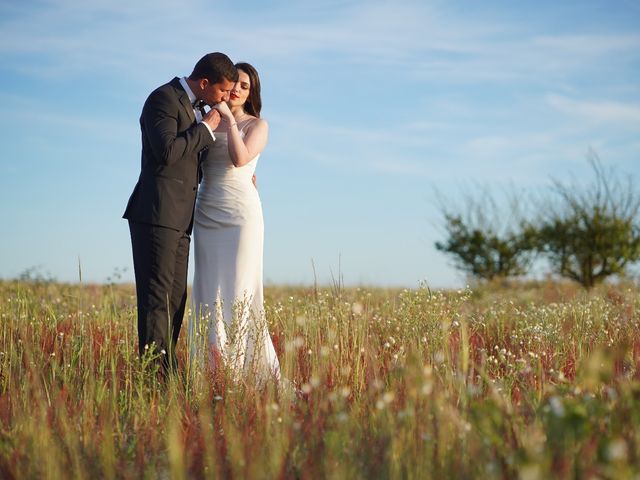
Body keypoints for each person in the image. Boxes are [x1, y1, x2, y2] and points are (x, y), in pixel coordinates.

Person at [123, 53, 238, 374]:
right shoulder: (162, 98)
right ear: (204, 83)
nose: (224, 98)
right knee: (156, 299)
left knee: (175, 299)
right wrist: (205, 127)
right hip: (155, 213)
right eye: (221, 91)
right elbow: (168, 152)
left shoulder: (196, 105)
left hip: (182, 218)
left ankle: (168, 369)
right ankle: (154, 377)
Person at [189, 62, 281, 385]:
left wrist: (228, 118)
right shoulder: (208, 119)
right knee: (208, 292)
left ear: (252, 91)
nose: (237, 90)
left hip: (242, 217)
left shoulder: (258, 125)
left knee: (239, 291)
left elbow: (240, 159)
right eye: (233, 85)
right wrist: (211, 118)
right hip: (207, 210)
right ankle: (209, 373)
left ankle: (239, 376)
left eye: (244, 85)